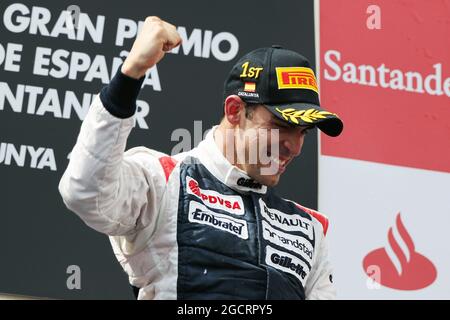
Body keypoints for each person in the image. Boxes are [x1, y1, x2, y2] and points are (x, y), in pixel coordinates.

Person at [59, 16, 343, 300]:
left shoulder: (308, 229)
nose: (294, 147)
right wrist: (131, 74)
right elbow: (85, 192)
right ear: (234, 111)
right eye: (281, 127)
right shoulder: (163, 181)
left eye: (303, 132)